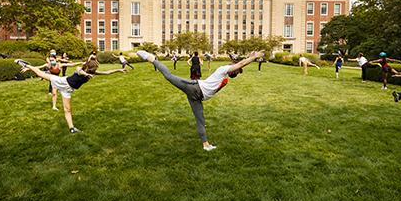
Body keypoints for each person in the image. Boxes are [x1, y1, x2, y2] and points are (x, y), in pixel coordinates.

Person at [136, 49, 265, 151]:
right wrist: (253, 57)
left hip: (197, 97)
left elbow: (239, 64)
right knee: (169, 76)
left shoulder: (225, 77)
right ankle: (151, 58)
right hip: (194, 88)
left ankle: (206, 145)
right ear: (233, 68)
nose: (236, 74)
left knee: (200, 119)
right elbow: (240, 64)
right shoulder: (223, 69)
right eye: (236, 72)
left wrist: (249, 57)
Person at [15, 54, 125, 133]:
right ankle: (26, 65)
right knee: (40, 74)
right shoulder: (80, 69)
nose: (95, 70)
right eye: (93, 68)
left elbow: (106, 72)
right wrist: (86, 74)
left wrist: (118, 70)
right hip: (62, 82)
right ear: (88, 67)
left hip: (68, 90)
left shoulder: (91, 72)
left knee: (67, 109)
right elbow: (79, 71)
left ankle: (72, 128)